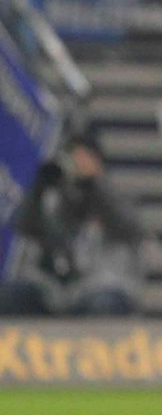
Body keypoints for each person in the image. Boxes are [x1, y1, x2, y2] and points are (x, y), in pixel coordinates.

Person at [0, 128, 144, 317]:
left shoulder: (116, 196)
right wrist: (39, 188)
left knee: (100, 306)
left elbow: (131, 226)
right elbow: (22, 225)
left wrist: (93, 182)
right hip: (56, 289)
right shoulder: (54, 200)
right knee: (11, 296)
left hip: (104, 286)